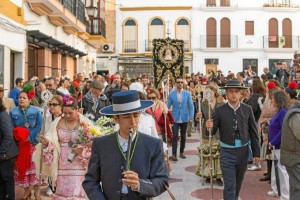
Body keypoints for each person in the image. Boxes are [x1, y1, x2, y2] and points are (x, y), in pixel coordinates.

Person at [82, 90, 168, 199]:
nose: (133, 121)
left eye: (136, 115)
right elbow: (90, 181)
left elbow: (162, 181)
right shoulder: (101, 144)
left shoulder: (154, 144)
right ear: (116, 118)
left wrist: (140, 184)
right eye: (126, 117)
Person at [206, 78, 260, 200]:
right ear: (226, 93)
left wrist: (256, 153)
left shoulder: (247, 109)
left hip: (243, 151)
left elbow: (253, 132)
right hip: (227, 152)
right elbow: (211, 131)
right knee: (229, 186)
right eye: (231, 91)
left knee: (237, 184)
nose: (234, 94)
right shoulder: (220, 110)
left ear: (241, 93)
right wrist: (208, 126)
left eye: (236, 91)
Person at [39, 95, 93, 199]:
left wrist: (81, 150)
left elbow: (92, 141)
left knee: (78, 189)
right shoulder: (56, 123)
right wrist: (46, 142)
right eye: (65, 113)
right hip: (62, 161)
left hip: (79, 161)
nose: (67, 116)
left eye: (70, 113)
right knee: (63, 191)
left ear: (77, 110)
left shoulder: (85, 122)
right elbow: (51, 138)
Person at [9, 83, 43, 199]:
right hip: (20, 145)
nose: (21, 99)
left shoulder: (37, 111)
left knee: (34, 170)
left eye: (24, 98)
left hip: (32, 143)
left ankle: (37, 192)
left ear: (29, 100)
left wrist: (30, 137)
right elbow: (11, 127)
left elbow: (39, 125)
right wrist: (20, 137)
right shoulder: (13, 112)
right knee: (23, 169)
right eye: (19, 98)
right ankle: (26, 191)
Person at [196, 85, 224, 186]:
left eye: (209, 92)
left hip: (219, 132)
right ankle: (208, 175)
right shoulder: (203, 104)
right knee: (208, 154)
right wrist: (198, 116)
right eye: (206, 92)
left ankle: (219, 176)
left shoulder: (221, 102)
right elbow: (199, 117)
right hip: (207, 132)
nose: (208, 94)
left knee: (218, 154)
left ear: (214, 92)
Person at [267, 90, 290, 199]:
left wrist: (273, 141)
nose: (272, 101)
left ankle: (285, 195)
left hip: (279, 145)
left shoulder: (283, 112)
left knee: (282, 170)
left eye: (273, 99)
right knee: (275, 168)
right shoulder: (279, 111)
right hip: (275, 145)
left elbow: (283, 130)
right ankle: (275, 188)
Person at [168, 76, 194, 161]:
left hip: (184, 117)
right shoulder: (171, 94)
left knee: (183, 136)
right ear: (175, 83)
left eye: (181, 82)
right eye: (178, 82)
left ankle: (182, 151)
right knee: (174, 136)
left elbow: (191, 106)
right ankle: (174, 154)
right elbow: (168, 106)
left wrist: (191, 117)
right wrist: (165, 111)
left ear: (183, 83)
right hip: (174, 118)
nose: (180, 84)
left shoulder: (187, 94)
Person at [281, 99, 300, 200]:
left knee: (296, 188)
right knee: (298, 189)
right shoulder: (295, 114)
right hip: (294, 158)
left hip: (294, 157)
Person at [0, 98, 19, 200]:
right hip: (4, 152)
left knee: (7, 179)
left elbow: (8, 136)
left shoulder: (2, 115)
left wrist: (1, 151)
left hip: (7, 153)